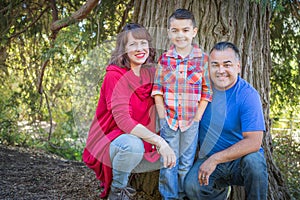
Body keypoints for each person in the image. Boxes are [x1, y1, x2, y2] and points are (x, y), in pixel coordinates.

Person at [82, 23, 176, 200]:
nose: (139, 49)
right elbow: (123, 121)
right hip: (111, 140)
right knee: (132, 145)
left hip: (140, 138)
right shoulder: (114, 75)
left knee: (182, 145)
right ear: (123, 49)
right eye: (133, 44)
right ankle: (117, 192)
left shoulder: (151, 73)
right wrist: (159, 141)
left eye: (143, 43)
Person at [184, 41, 268, 200]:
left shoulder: (248, 95)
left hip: (240, 160)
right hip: (208, 159)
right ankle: (220, 193)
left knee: (255, 162)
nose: (221, 70)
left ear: (238, 66)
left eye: (227, 65)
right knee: (192, 187)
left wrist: (215, 159)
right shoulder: (200, 90)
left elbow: (254, 142)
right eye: (215, 65)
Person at [151, 9, 213, 199]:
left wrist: (197, 118)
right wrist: (162, 117)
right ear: (169, 32)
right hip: (168, 120)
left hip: (191, 122)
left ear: (194, 32)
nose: (180, 35)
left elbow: (207, 92)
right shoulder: (165, 60)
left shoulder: (203, 60)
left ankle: (183, 195)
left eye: (185, 30)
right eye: (175, 30)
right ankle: (168, 196)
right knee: (169, 161)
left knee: (186, 162)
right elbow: (157, 90)